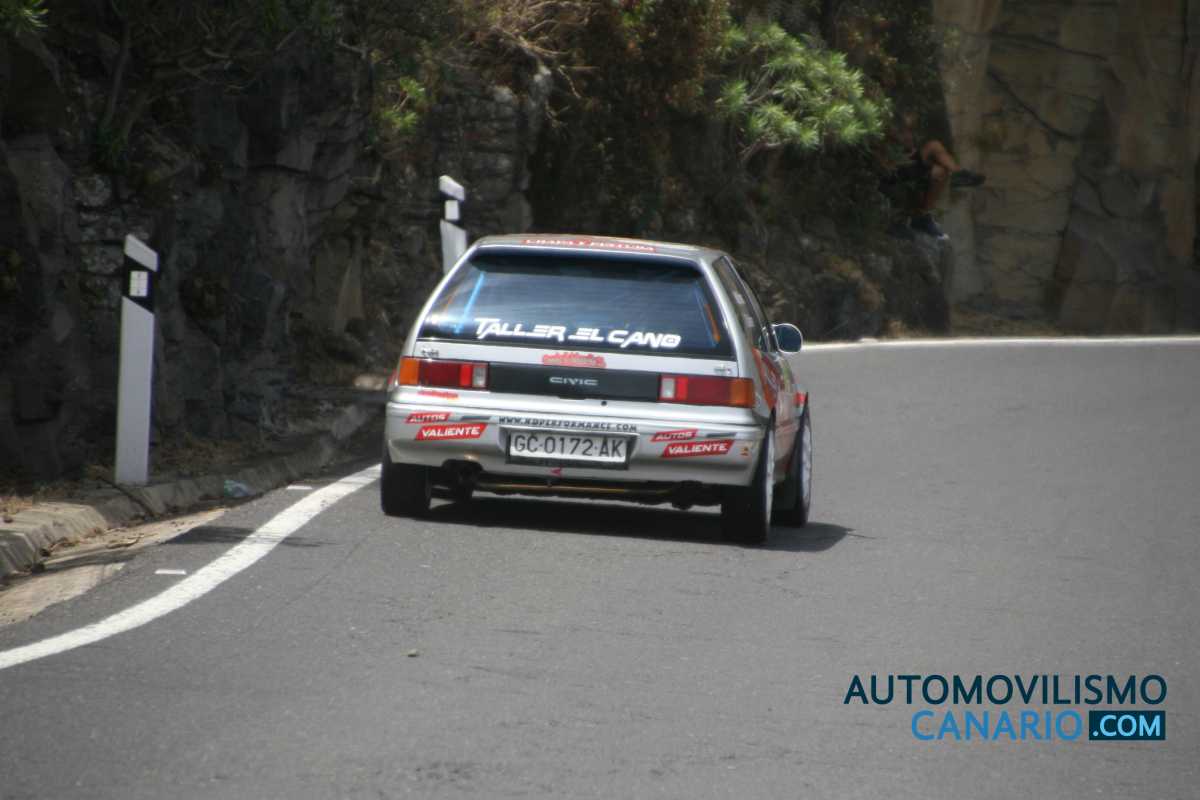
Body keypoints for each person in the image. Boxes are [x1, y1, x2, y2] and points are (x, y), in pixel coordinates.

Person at [880, 111, 985, 239]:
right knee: (934, 160)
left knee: (939, 164)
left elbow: (909, 144)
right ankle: (957, 174)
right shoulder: (881, 129)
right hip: (896, 168)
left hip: (907, 161)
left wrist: (908, 142)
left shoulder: (900, 122)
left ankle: (958, 174)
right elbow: (885, 160)